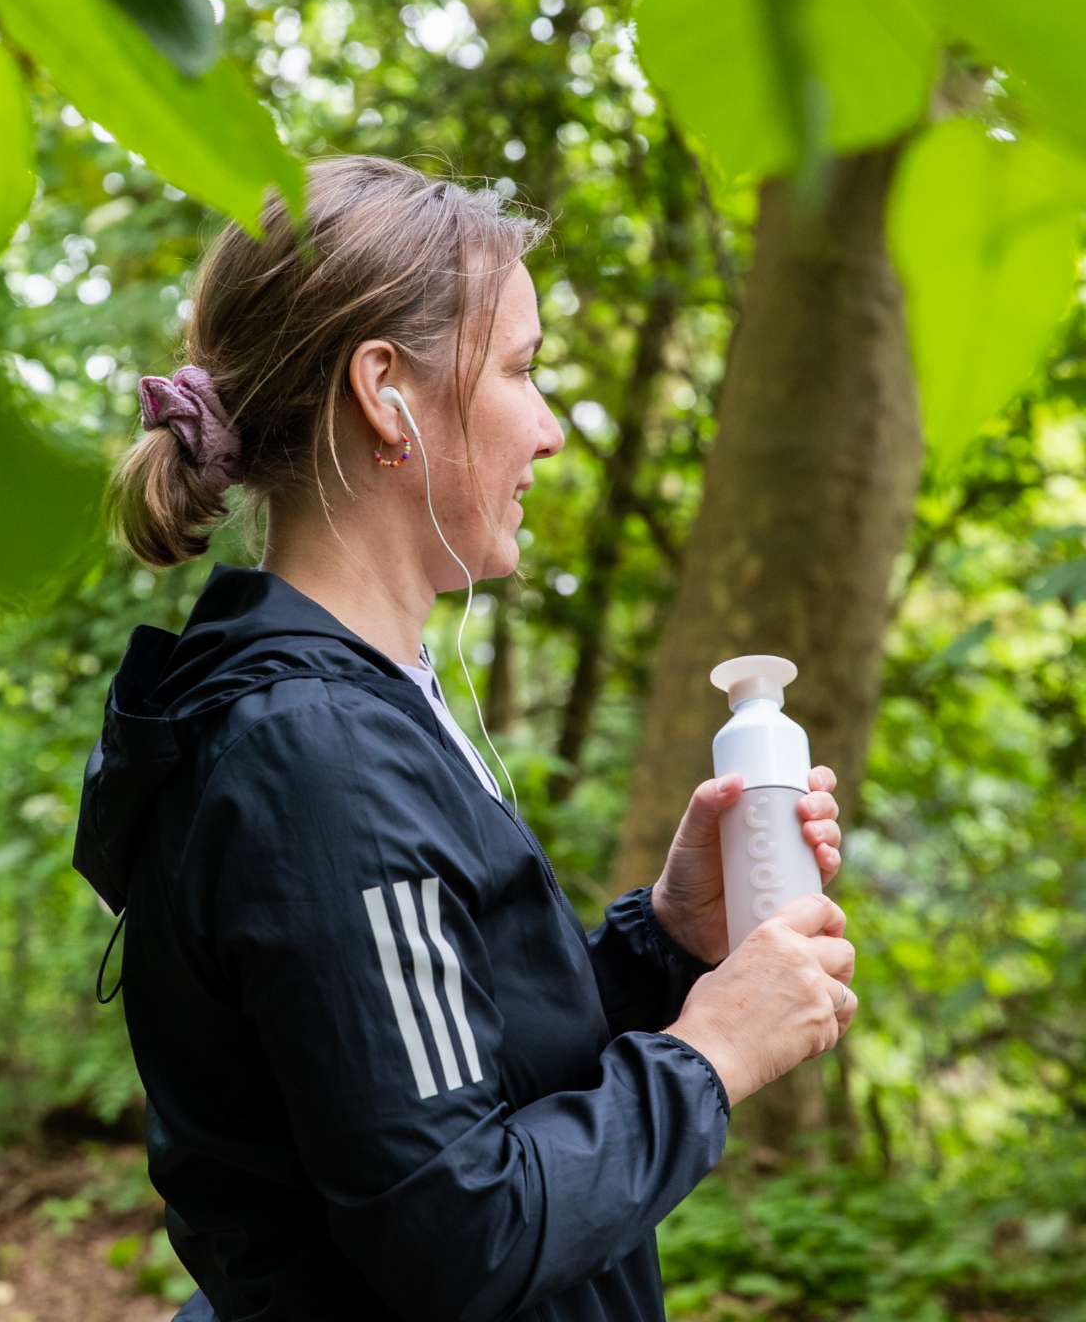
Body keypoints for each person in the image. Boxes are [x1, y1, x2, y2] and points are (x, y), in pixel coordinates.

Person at [72, 157, 857, 1322]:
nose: (547, 430)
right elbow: (459, 1226)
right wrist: (708, 1057)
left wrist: (664, 943)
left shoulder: (365, 705)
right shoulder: (316, 756)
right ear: (386, 392)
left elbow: (443, 1077)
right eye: (522, 371)